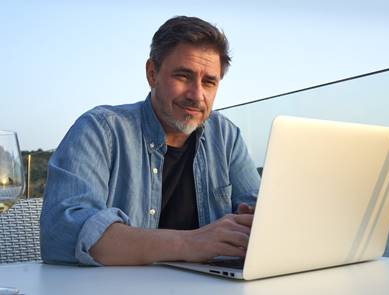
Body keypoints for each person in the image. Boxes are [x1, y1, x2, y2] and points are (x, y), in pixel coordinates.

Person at [40, 16, 261, 266]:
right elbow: (61, 233)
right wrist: (191, 243)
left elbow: (262, 212)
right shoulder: (100, 129)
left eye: (209, 82)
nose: (197, 95)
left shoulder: (226, 136)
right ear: (152, 73)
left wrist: (259, 222)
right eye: (183, 76)